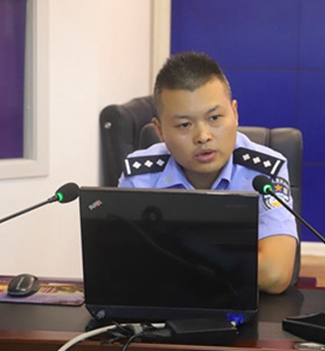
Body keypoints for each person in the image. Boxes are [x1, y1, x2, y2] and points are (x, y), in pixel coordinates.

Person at [118, 51, 298, 294]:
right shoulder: (140, 175)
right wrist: (229, 263)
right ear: (160, 130)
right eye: (185, 124)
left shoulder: (264, 173)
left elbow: (275, 274)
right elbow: (125, 268)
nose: (203, 136)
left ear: (235, 113)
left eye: (214, 117)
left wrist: (175, 259)